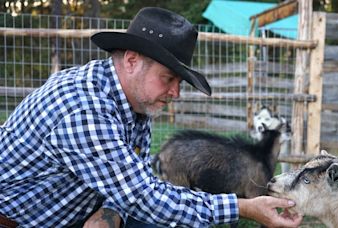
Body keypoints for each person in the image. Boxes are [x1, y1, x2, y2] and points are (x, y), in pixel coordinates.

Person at [0, 7, 302, 228]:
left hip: (71, 213)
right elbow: (144, 196)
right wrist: (243, 207)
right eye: (168, 78)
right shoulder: (82, 107)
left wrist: (110, 212)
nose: (176, 93)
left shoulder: (136, 104)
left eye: (179, 83)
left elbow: (134, 180)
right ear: (131, 60)